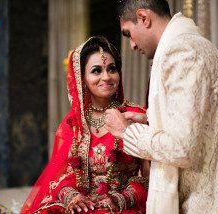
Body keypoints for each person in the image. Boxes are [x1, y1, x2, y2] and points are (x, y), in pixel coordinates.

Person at [104, 0, 218, 213]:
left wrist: (127, 132)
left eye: (128, 33)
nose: (132, 45)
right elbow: (199, 118)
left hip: (213, 202)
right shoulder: (190, 44)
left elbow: (181, 147)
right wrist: (151, 119)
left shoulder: (182, 52)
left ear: (144, 18)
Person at [21, 36, 149, 214]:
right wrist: (72, 197)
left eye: (112, 69)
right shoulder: (72, 124)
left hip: (123, 208)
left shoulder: (136, 116)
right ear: (82, 78)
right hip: (81, 208)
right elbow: (59, 175)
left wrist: (121, 198)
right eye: (96, 71)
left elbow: (151, 176)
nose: (106, 77)